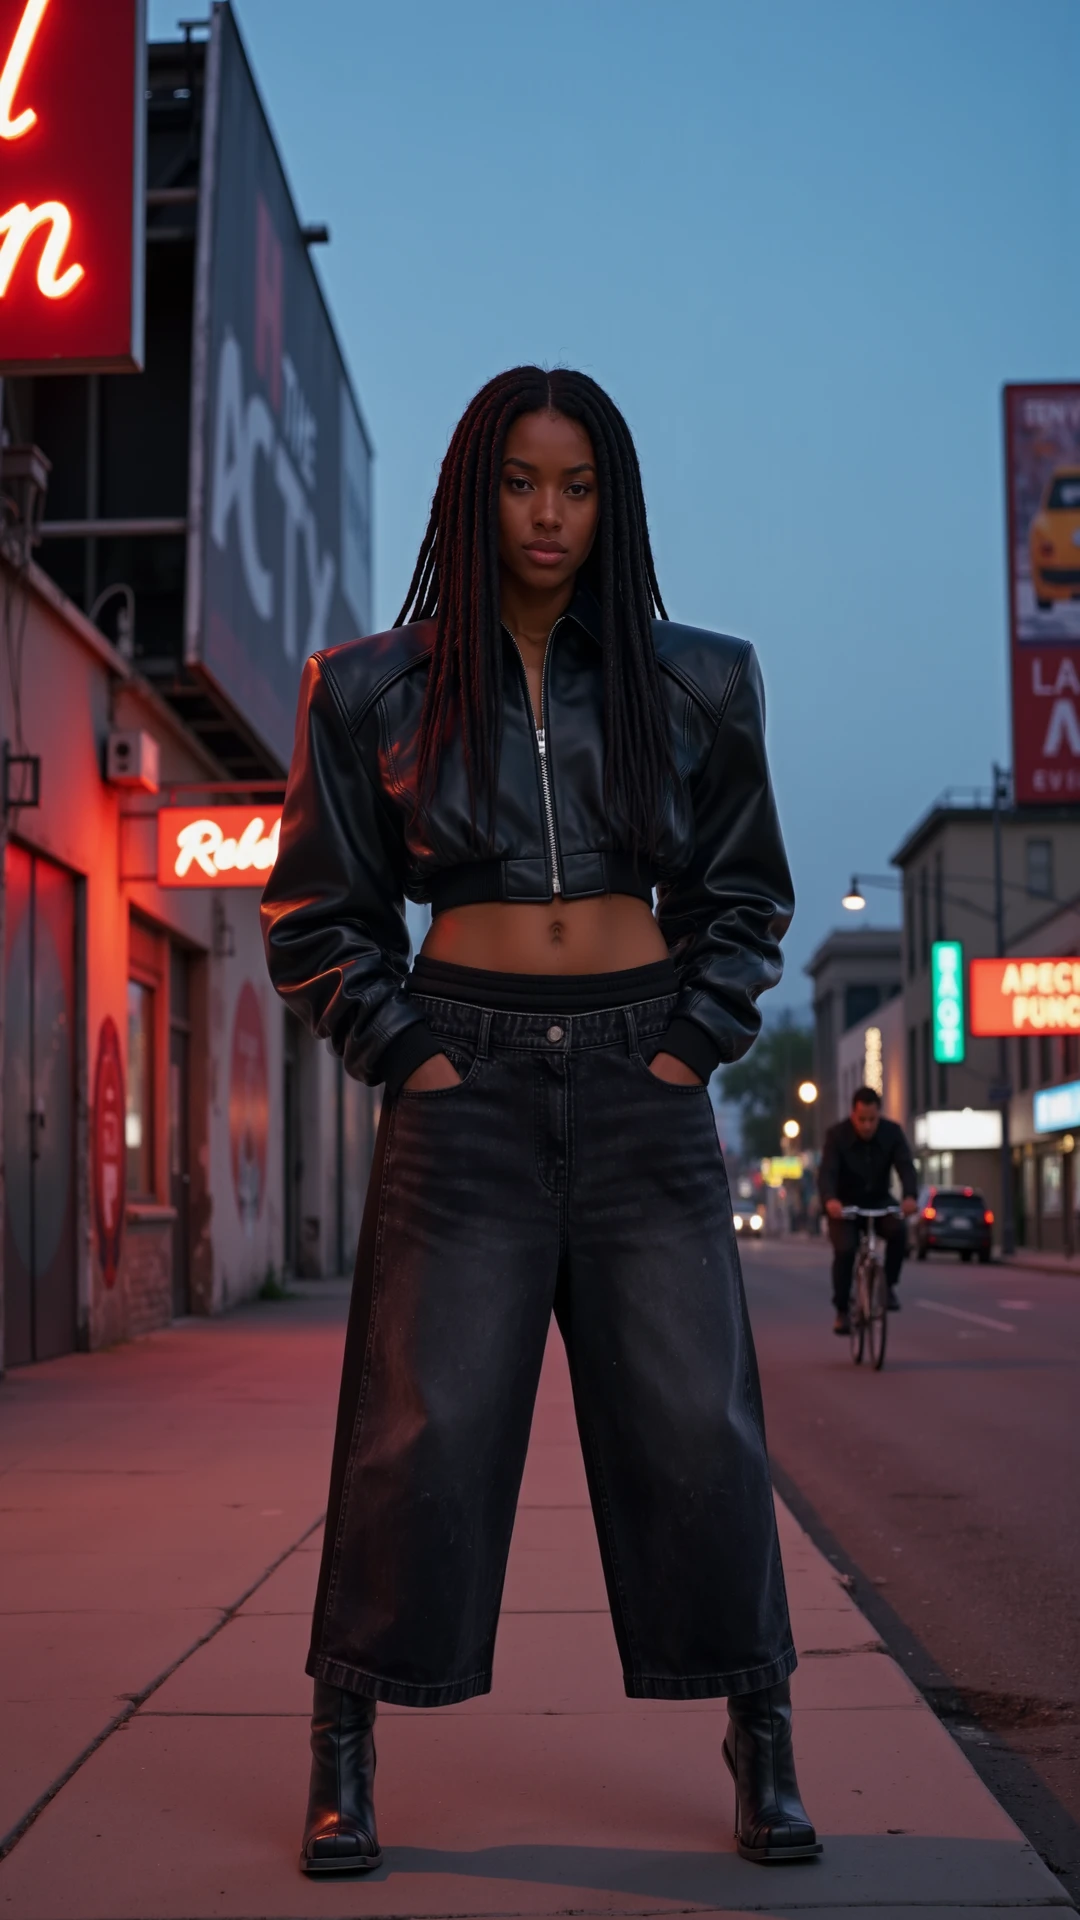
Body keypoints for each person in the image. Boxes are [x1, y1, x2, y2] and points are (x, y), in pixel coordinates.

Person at [262, 366, 820, 1873]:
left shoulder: (698, 679)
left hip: (642, 1088)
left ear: (613, 499)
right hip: (469, 1089)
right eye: (521, 483)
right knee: (415, 1430)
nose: (550, 514)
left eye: (576, 486)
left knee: (699, 1426)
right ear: (475, 493)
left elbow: (744, 893)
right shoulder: (369, 686)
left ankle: (761, 1736)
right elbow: (319, 915)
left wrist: (689, 1046)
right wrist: (413, 1056)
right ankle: (344, 1752)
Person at [819, 1087, 917, 1333]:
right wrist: (830, 1199)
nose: (867, 1126)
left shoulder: (892, 1132)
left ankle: (889, 1287)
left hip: (879, 1202)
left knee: (899, 1231)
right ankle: (842, 1310)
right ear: (853, 1114)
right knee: (845, 1250)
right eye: (862, 1119)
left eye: (872, 1119)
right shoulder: (836, 1135)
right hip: (845, 1206)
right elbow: (827, 1172)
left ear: (879, 1114)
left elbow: (905, 1166)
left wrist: (909, 1196)